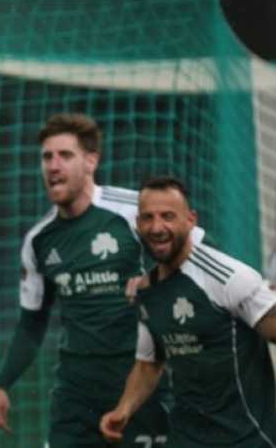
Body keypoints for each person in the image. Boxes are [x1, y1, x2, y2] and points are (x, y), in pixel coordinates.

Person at [0, 114, 175, 447]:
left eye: (65, 155)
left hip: (138, 380)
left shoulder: (134, 210)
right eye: (47, 157)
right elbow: (32, 323)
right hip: (76, 392)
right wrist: (0, 384)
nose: (53, 166)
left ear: (91, 161)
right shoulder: (39, 240)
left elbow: (193, 250)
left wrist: (154, 280)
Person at [100, 176, 276, 448]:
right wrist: (123, 409)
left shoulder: (229, 277)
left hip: (247, 439)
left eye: (168, 216)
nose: (157, 227)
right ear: (137, 224)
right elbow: (149, 363)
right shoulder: (147, 291)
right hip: (186, 438)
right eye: (148, 218)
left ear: (191, 220)